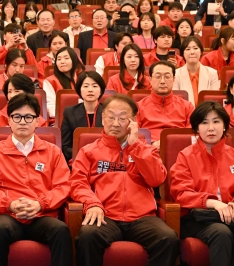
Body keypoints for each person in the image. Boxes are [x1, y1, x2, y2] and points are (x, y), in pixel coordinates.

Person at [70, 93, 180, 266]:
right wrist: (92, 203)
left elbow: (157, 179)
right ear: (103, 118)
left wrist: (135, 146)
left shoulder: (146, 150)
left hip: (142, 217)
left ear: (133, 121)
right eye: (110, 117)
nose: (115, 123)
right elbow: (77, 183)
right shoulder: (89, 151)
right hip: (106, 215)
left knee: (168, 239)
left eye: (122, 118)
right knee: (88, 236)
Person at [0, 93, 72, 266]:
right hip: (8, 215)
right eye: (17, 116)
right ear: (8, 120)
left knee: (61, 230)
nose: (22, 121)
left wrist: (40, 204)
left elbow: (63, 186)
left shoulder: (53, 151)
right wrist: (9, 204)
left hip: (41, 214)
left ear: (38, 121)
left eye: (28, 117)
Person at [170, 100, 234, 266]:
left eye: (216, 121)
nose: (211, 128)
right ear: (197, 128)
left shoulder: (232, 154)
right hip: (197, 219)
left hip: (230, 215)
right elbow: (181, 193)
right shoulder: (186, 155)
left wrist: (232, 204)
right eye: (204, 122)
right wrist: (214, 203)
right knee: (221, 232)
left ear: (225, 126)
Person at [137, 61, 194, 150]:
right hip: (148, 151)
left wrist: (172, 143)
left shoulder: (187, 106)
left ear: (174, 79)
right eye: (158, 77)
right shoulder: (139, 107)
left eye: (167, 77)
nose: (162, 81)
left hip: (179, 150)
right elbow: (134, 134)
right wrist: (150, 144)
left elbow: (192, 134)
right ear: (150, 79)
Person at [61, 71, 105, 164]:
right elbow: (65, 146)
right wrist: (83, 155)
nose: (90, 90)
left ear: (101, 90)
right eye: (85, 86)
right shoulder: (70, 112)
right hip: (78, 160)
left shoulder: (109, 112)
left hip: (104, 159)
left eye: (94, 86)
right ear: (79, 90)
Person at [173, 36, 219, 106]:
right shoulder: (176, 74)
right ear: (183, 54)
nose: (192, 52)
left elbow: (215, 102)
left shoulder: (212, 73)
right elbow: (176, 102)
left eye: (195, 48)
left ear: (201, 52)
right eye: (188, 49)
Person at [43, 47, 85, 120]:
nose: (62, 62)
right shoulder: (50, 81)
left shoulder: (82, 79)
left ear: (74, 60)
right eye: (59, 59)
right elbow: (51, 108)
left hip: (83, 117)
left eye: (66, 58)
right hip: (60, 119)